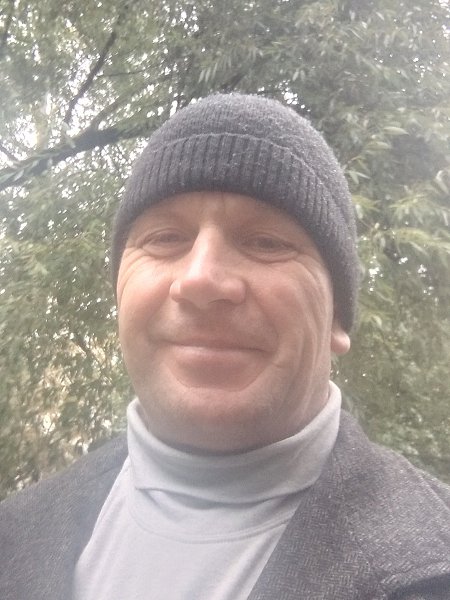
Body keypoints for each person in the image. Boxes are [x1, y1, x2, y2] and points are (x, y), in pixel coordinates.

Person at [1, 93, 449, 600]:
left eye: (266, 242)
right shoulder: (14, 536)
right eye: (165, 238)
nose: (201, 279)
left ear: (338, 319)